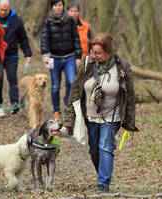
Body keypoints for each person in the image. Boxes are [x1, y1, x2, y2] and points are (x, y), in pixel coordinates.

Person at [61, 33, 139, 193]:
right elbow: (75, 92)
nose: (93, 55)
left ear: (108, 52)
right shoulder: (86, 64)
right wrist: (69, 119)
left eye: (98, 53)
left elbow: (130, 96)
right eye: (92, 51)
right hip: (90, 117)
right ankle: (103, 175)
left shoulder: (122, 67)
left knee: (105, 147)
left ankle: (103, 184)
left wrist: (129, 124)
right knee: (94, 149)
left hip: (112, 116)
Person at [41, 0, 82, 120]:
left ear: (63, 6)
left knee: (71, 82)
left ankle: (67, 105)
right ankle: (56, 110)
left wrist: (78, 56)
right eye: (56, 5)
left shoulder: (70, 20)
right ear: (52, 7)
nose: (58, 8)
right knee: (55, 86)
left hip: (69, 56)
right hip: (54, 58)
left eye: (60, 5)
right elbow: (44, 39)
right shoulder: (48, 21)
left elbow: (76, 38)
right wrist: (45, 54)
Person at [0, 0, 32, 116]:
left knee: (12, 78)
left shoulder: (16, 19)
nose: (3, 12)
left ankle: (14, 103)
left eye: (6, 10)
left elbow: (23, 38)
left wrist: (27, 53)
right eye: (1, 10)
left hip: (11, 55)